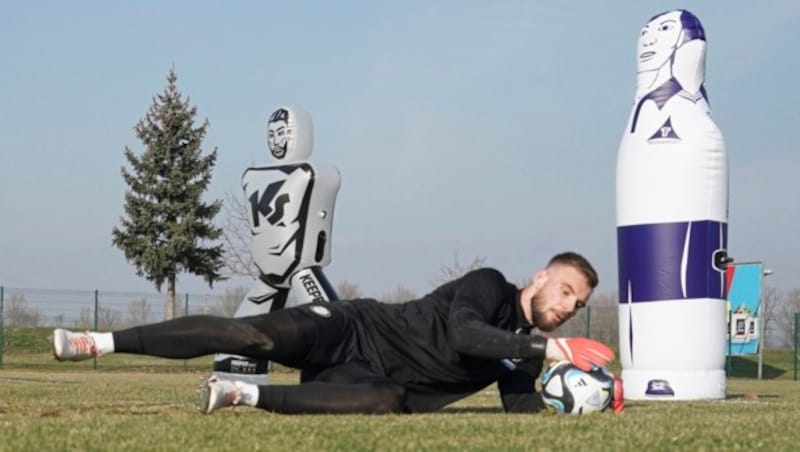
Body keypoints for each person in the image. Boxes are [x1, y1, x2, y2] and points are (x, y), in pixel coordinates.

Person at [52, 251, 615, 415]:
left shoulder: (526, 354)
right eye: (565, 291)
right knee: (253, 338)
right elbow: (467, 335)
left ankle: (241, 394)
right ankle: (98, 343)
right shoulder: (490, 285)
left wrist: (597, 394)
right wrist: (545, 347)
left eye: (579, 303)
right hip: (352, 327)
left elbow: (522, 415)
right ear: (541, 278)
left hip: (362, 377)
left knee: (389, 399)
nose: (569, 307)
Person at [213, 106, 342, 384]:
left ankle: (336, 377)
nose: (276, 140)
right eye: (272, 134)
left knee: (334, 332)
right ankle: (238, 376)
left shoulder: (310, 173)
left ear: (298, 134)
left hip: (301, 269)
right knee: (236, 343)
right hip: (270, 272)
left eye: (282, 133)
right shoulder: (256, 176)